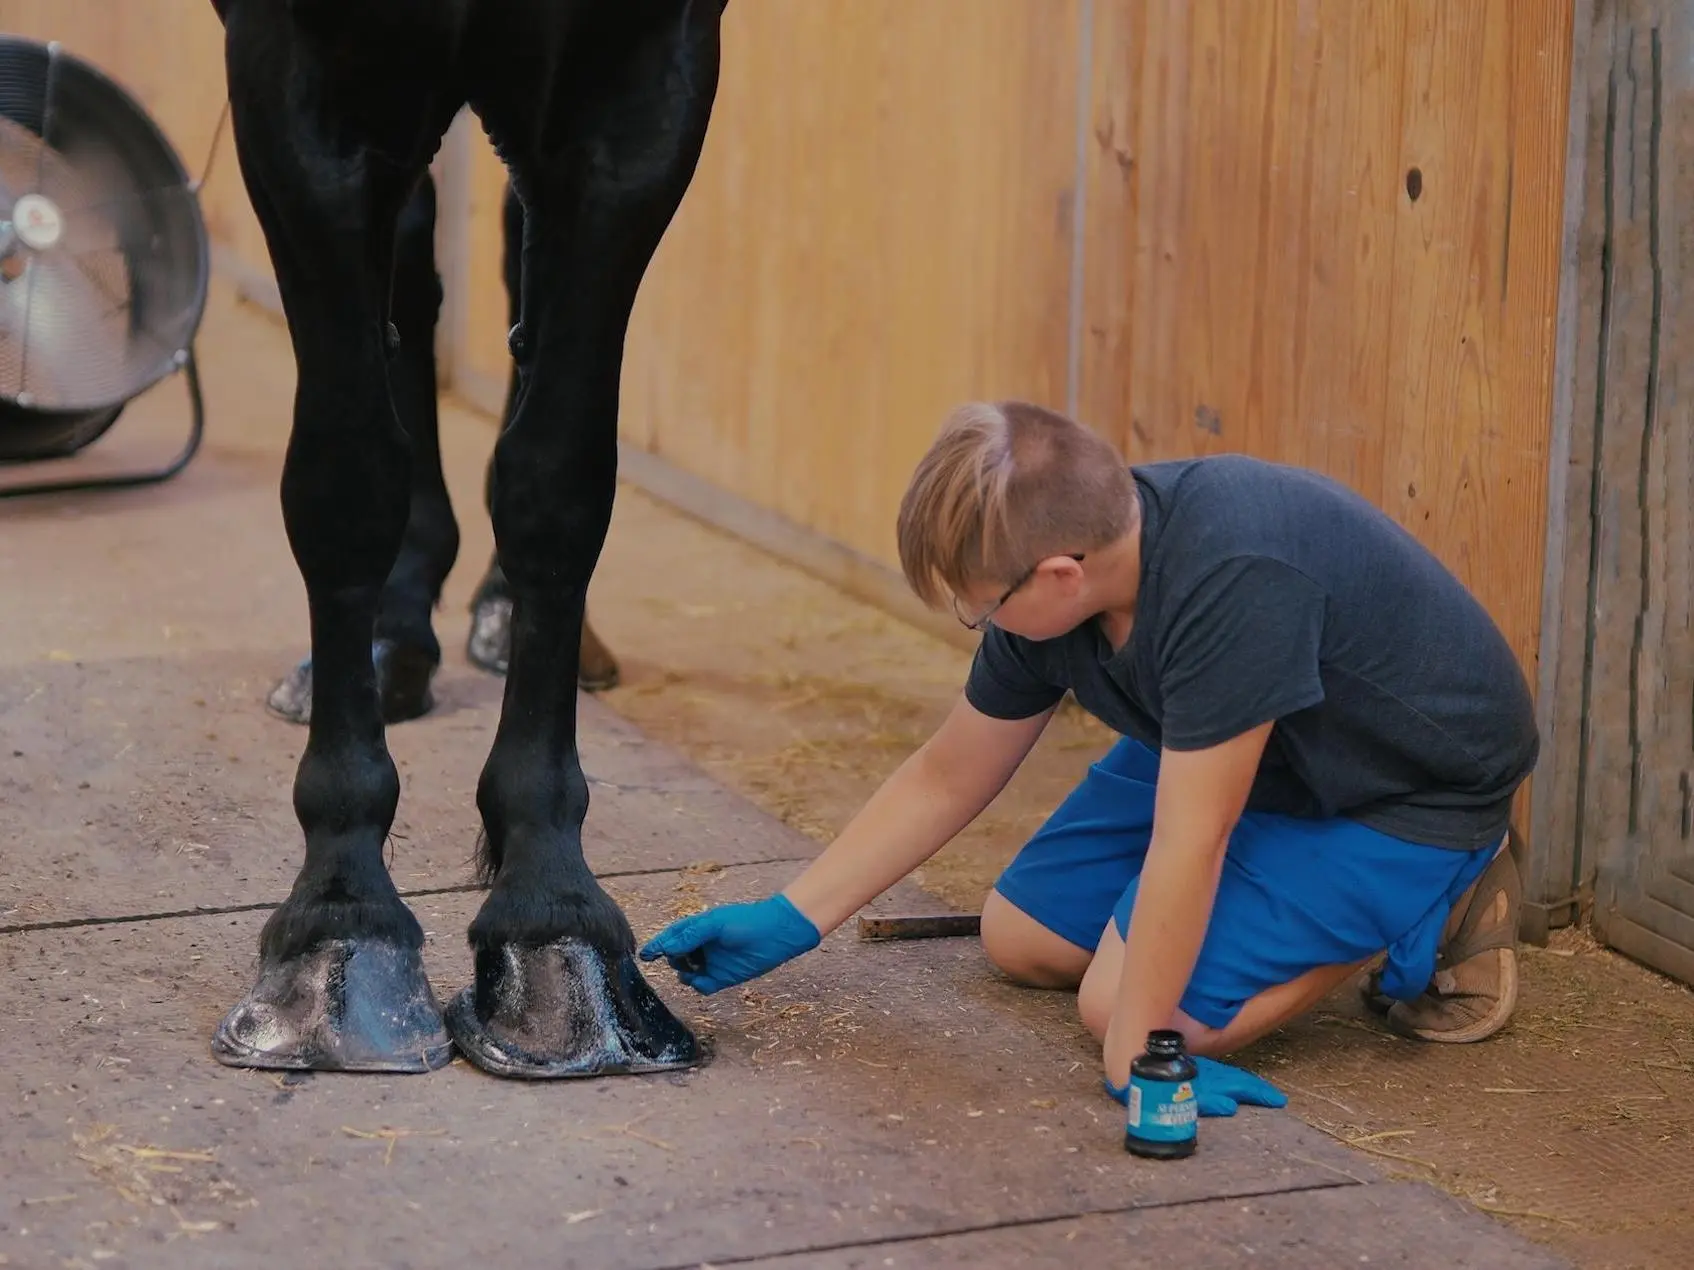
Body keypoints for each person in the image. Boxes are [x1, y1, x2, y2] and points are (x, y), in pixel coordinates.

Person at [640, 400, 1539, 1117]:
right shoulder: (1055, 576)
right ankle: (1282, 916)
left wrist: (1139, 1054)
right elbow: (949, 771)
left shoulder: (1233, 580)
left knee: (1121, 1011)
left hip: (1396, 787)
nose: (978, 622)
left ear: (1060, 576)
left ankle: (1434, 892)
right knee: (1020, 938)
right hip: (1249, 749)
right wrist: (795, 916)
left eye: (981, 605)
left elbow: (1196, 836)